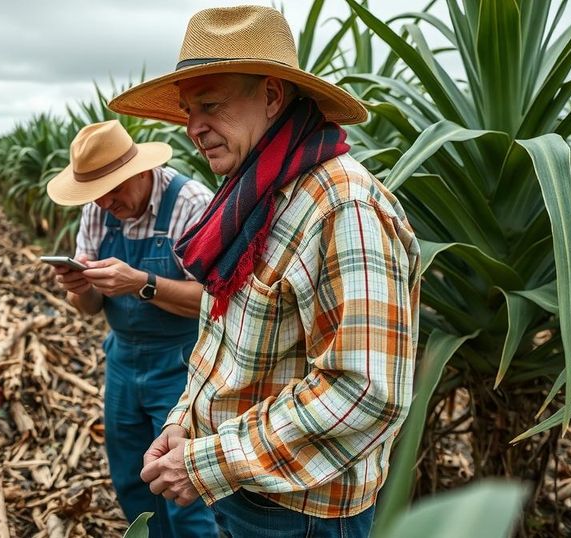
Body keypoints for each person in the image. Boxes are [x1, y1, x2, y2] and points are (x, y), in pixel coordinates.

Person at [107, 6, 422, 538]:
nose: (193, 128)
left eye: (210, 105)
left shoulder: (342, 206)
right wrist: (183, 422)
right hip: (244, 490)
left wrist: (209, 462)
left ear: (273, 96)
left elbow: (367, 388)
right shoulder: (253, 195)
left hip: (302, 513)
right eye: (187, 110)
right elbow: (221, 341)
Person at [45, 120, 217, 538]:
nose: (106, 202)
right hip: (121, 359)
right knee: (132, 478)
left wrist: (141, 283)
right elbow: (87, 309)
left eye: (114, 189)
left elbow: (217, 304)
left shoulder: (192, 204)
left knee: (184, 491)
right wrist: (78, 288)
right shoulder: (97, 211)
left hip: (183, 363)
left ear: (140, 171)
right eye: (95, 193)